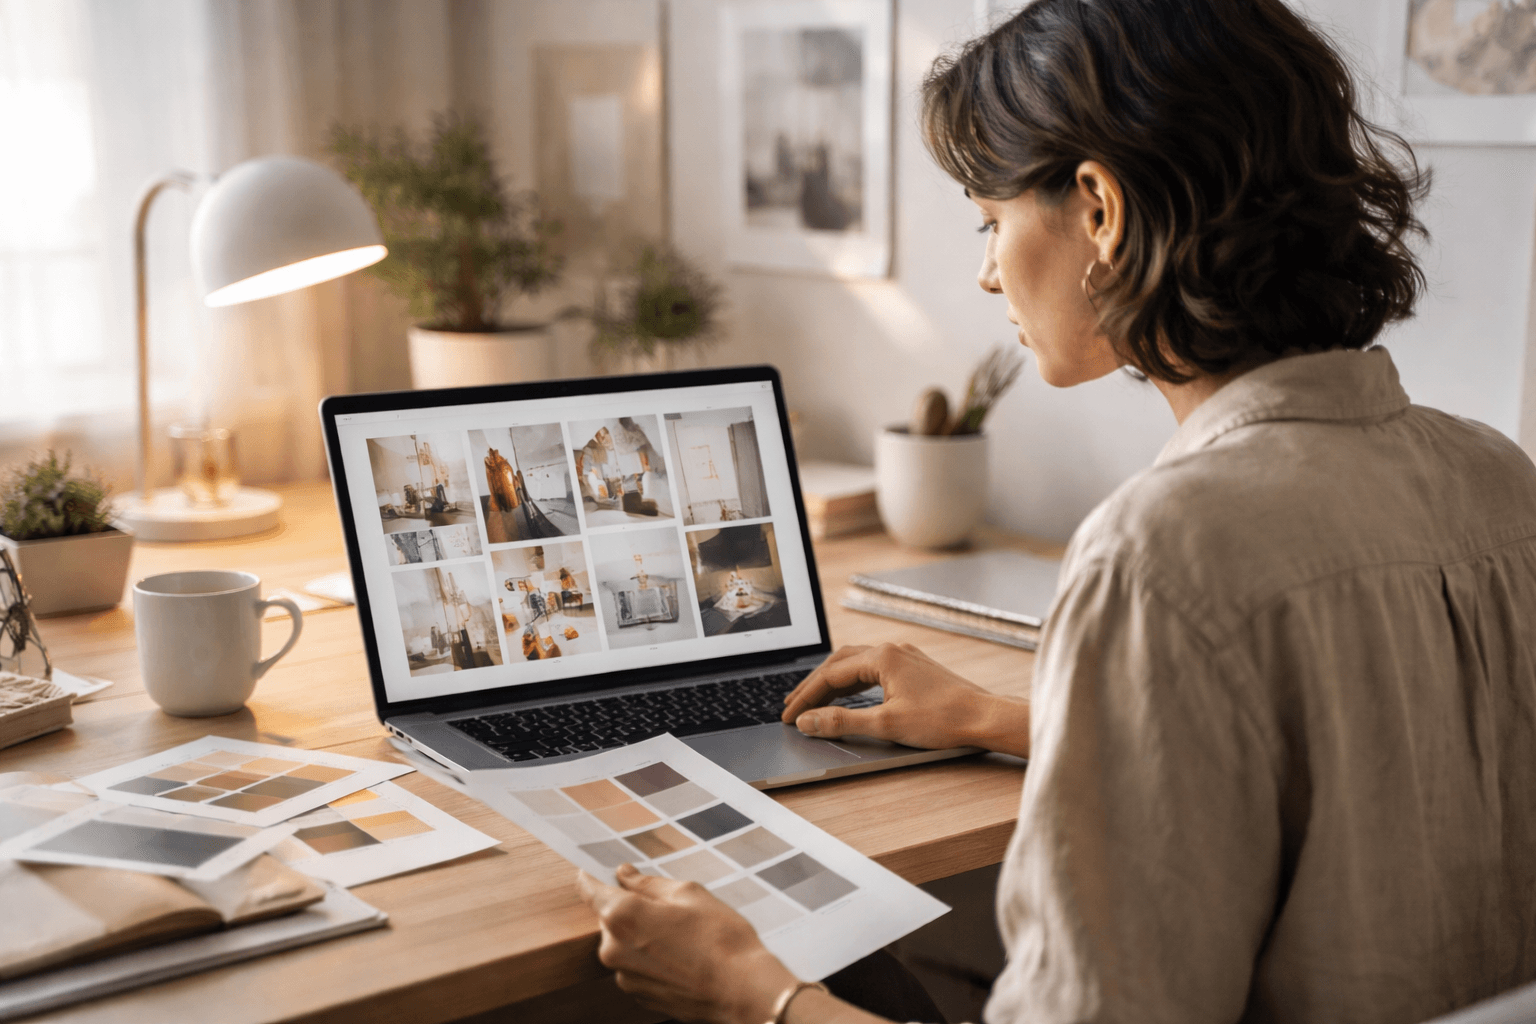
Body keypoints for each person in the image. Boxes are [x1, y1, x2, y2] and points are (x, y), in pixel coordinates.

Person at [577, 1, 1536, 1021]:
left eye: (991, 222)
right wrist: (1011, 717)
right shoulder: (1500, 481)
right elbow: (1367, 783)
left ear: (1100, 209)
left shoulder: (1160, 556)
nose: (988, 270)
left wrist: (747, 990)